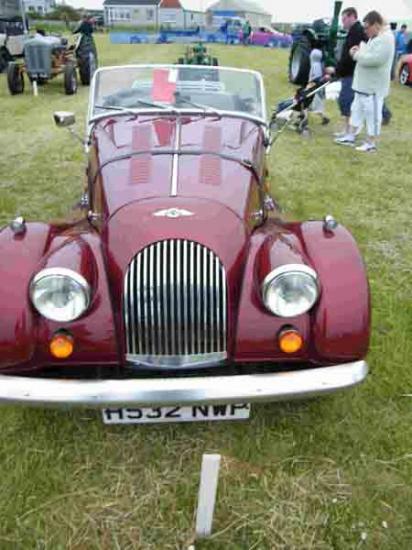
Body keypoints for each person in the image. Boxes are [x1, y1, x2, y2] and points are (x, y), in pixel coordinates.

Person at [335, 11, 395, 153]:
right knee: (356, 111)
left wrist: (356, 54)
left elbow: (375, 59)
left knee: (373, 115)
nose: (365, 30)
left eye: (367, 27)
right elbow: (368, 53)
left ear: (376, 25)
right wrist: (360, 48)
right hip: (363, 85)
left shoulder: (386, 39)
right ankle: (350, 136)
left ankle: (371, 143)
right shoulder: (375, 37)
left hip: (373, 87)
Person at [333, 7, 366, 137]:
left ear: (352, 16)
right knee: (346, 101)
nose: (343, 22)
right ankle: (348, 129)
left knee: (346, 101)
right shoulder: (354, 30)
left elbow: (350, 55)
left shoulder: (357, 31)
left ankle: (350, 129)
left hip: (351, 73)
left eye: (344, 19)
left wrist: (337, 69)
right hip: (348, 72)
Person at [308, 47, 330, 125]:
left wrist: (309, 86)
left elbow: (315, 79)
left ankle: (324, 118)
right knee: (312, 106)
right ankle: (302, 118)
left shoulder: (315, 66)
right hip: (317, 90)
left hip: (315, 91)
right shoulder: (319, 65)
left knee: (316, 107)